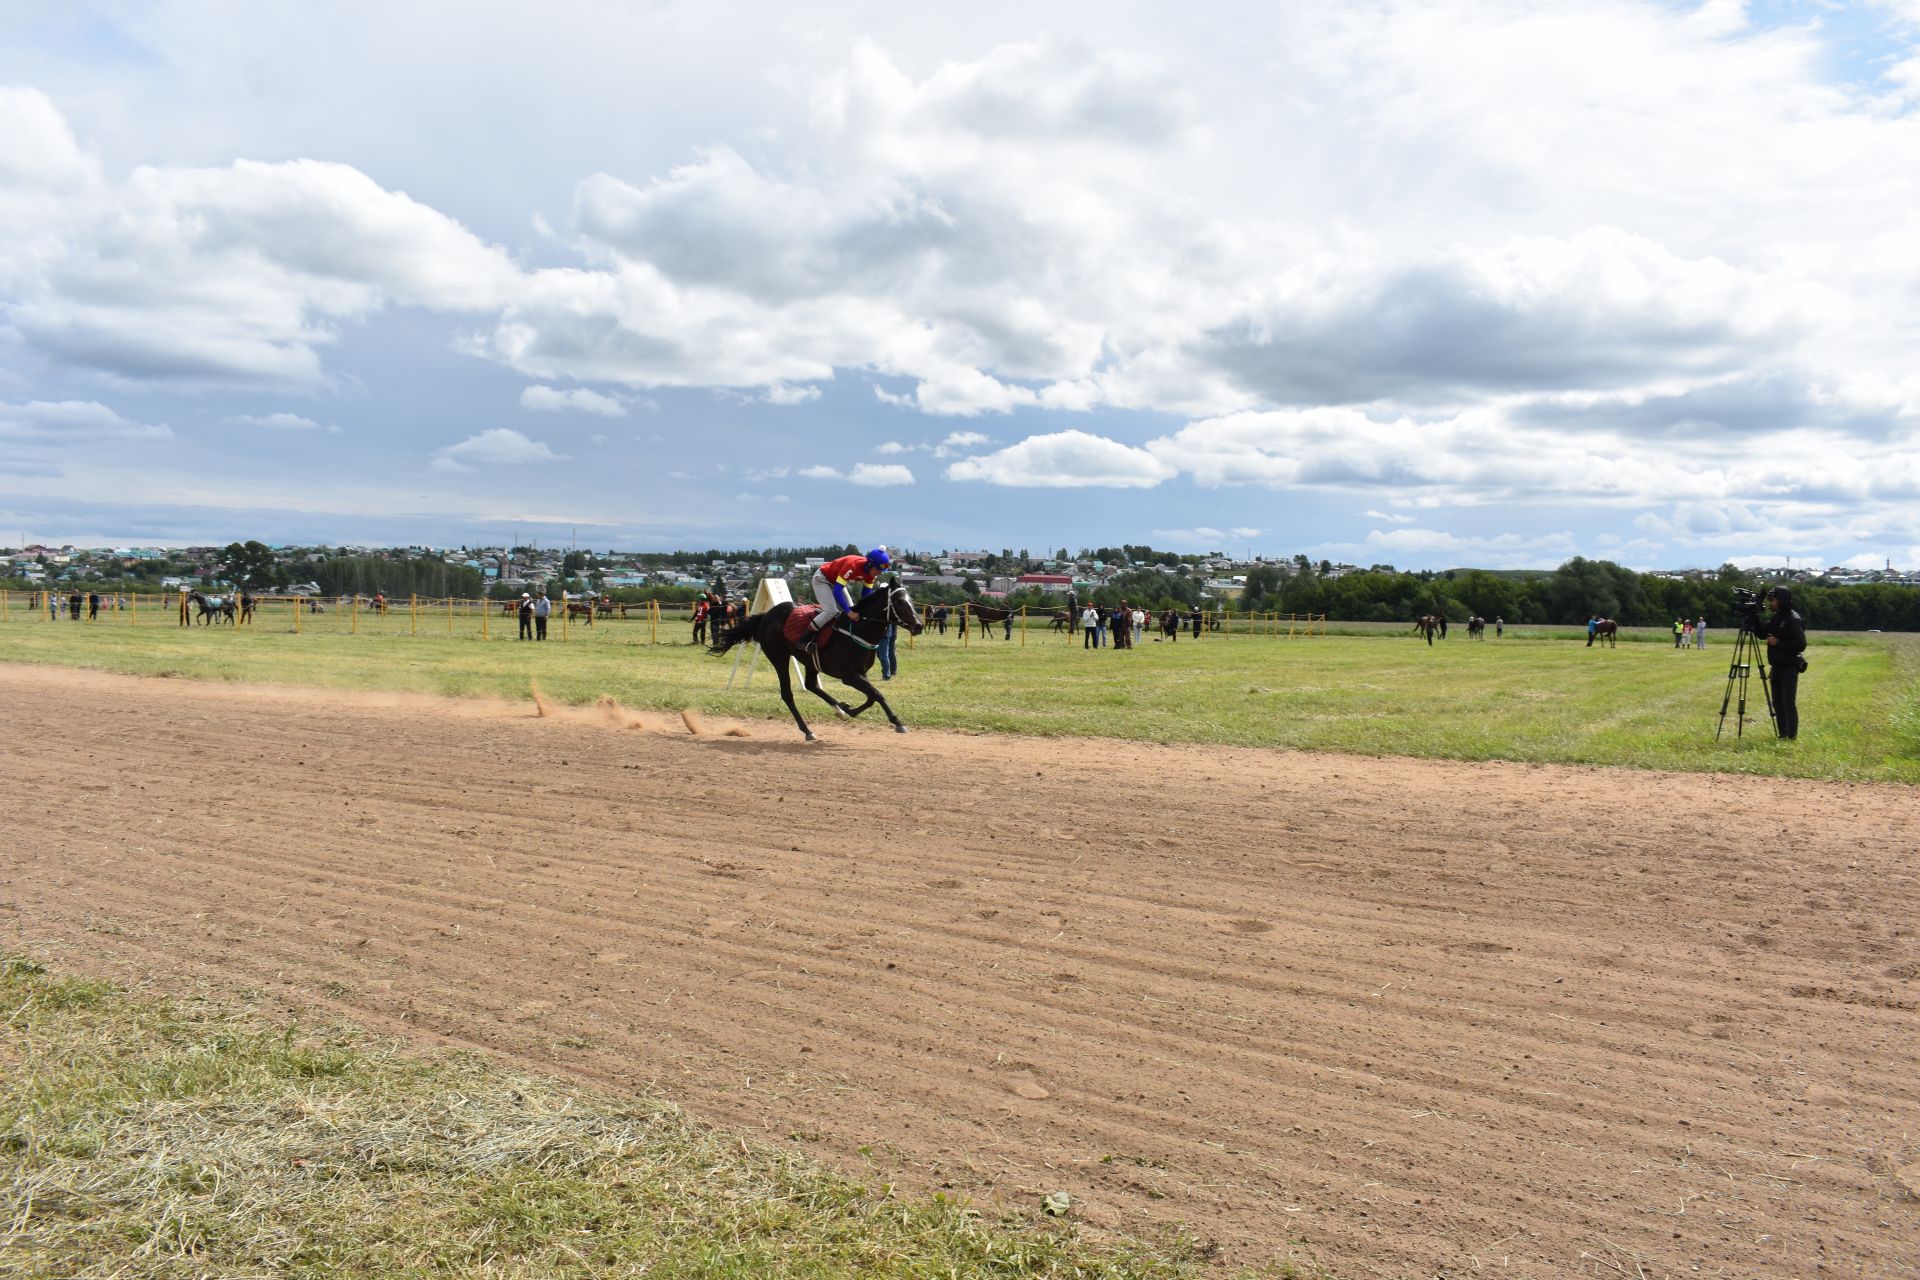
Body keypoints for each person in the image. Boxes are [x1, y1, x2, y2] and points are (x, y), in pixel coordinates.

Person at [805, 546, 890, 658]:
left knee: (851, 610)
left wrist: (866, 612)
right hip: (822, 579)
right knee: (832, 611)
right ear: (870, 564)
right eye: (878, 569)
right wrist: (849, 612)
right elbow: (837, 591)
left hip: (836, 583)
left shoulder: (870, 574)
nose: (879, 573)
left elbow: (866, 596)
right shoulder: (852, 566)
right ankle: (806, 639)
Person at [1757, 586, 1807, 739]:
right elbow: (1762, 633)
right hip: (1777, 667)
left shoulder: (1793, 619)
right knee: (1777, 702)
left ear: (1782, 600)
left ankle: (1791, 736)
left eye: (1773, 600)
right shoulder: (1776, 617)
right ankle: (1782, 734)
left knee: (1787, 702)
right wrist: (1753, 617)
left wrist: (1778, 643)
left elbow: (1800, 644)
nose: (1771, 603)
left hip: (1789, 667)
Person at [879, 614, 899, 680]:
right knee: (880, 655)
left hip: (886, 634)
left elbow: (894, 620)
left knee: (886, 654)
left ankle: (889, 673)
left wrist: (894, 633)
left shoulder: (888, 608)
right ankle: (887, 671)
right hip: (883, 633)